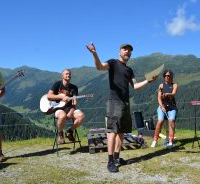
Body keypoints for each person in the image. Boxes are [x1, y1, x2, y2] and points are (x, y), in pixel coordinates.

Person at [86, 42, 158, 173]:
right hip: (114, 102)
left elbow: (135, 87)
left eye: (130, 51)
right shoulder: (113, 63)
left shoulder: (129, 70)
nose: (127, 52)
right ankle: (110, 162)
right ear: (119, 51)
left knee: (121, 132)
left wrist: (148, 81)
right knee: (112, 132)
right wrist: (94, 53)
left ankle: (117, 158)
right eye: (125, 49)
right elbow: (100, 67)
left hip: (125, 103)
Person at [47, 69, 85, 144]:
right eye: (66, 74)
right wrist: (61, 97)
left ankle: (69, 131)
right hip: (58, 108)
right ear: (62, 76)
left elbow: (74, 102)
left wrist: (71, 111)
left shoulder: (74, 88)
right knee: (62, 115)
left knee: (81, 116)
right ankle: (60, 134)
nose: (68, 75)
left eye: (69, 74)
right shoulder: (57, 84)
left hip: (70, 108)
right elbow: (49, 96)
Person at [151, 69, 178, 148]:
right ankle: (155, 140)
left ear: (171, 76)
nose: (167, 77)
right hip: (162, 106)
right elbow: (159, 98)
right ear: (163, 77)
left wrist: (167, 94)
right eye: (166, 75)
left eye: (169, 75)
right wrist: (162, 106)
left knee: (171, 120)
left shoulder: (174, 85)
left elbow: (173, 93)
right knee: (160, 121)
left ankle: (170, 141)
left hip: (172, 107)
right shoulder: (161, 85)